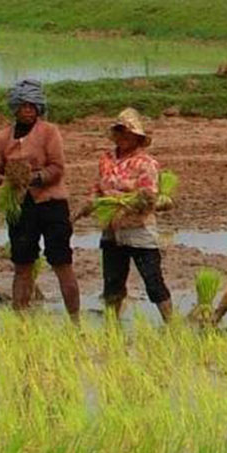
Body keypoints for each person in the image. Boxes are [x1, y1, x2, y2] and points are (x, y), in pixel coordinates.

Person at [0, 79, 78, 321]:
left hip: (51, 204)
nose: (28, 110)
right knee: (22, 263)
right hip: (20, 206)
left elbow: (57, 168)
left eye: (32, 106)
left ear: (39, 108)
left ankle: (75, 320)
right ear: (15, 108)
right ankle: (21, 320)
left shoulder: (49, 132)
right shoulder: (2, 138)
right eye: (23, 106)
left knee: (61, 261)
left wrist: (32, 178)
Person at [79, 108, 173, 323]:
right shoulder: (106, 159)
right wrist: (90, 204)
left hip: (139, 230)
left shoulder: (146, 163)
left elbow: (148, 196)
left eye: (129, 133)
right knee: (112, 283)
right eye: (121, 131)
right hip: (112, 230)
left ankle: (172, 325)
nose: (124, 137)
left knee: (153, 281)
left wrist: (123, 203)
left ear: (138, 137)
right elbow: (97, 187)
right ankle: (112, 328)